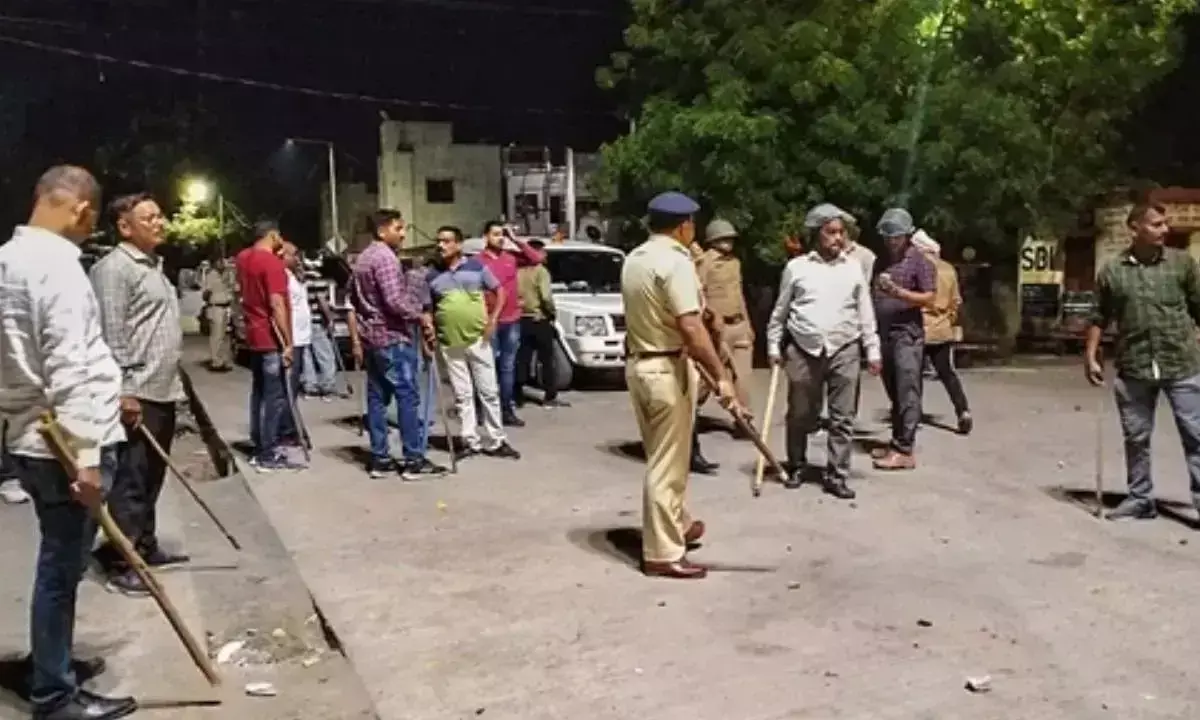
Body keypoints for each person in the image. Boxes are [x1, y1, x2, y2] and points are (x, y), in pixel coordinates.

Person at [0, 165, 138, 719]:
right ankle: (53, 693)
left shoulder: (7, 260)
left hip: (28, 436)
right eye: (92, 220)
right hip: (63, 443)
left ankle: (48, 661)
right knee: (62, 568)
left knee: (59, 562)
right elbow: (69, 368)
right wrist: (87, 460)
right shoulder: (58, 267)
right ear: (82, 210)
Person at [621, 191, 742, 580]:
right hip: (666, 367)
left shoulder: (635, 258)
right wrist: (721, 377)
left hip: (639, 364)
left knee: (662, 454)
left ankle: (677, 523)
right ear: (684, 225)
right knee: (667, 465)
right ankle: (663, 553)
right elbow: (690, 326)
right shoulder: (676, 262)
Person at [89, 192, 188, 596]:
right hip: (137, 391)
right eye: (149, 218)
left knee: (151, 477)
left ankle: (144, 545)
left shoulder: (153, 266)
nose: (159, 223)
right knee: (130, 480)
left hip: (161, 389)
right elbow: (111, 334)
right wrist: (124, 391)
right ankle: (123, 563)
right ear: (124, 227)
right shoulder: (114, 270)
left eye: (160, 215)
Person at [1086, 202, 1200, 521]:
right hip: (1134, 364)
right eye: (1156, 224)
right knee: (1136, 437)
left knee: (1196, 434)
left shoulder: (1182, 264)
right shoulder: (1113, 271)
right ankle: (1140, 499)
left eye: (1165, 223)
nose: (1165, 229)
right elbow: (1098, 316)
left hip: (1181, 363)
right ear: (1135, 228)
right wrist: (1091, 355)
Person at [767, 203, 881, 499]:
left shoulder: (853, 267)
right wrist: (773, 345)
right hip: (803, 349)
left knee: (843, 417)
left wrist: (873, 349)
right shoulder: (797, 268)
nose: (838, 238)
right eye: (831, 232)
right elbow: (780, 311)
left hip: (845, 347)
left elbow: (865, 311)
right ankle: (796, 464)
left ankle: (837, 474)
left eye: (841, 232)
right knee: (800, 414)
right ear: (817, 234)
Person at [351, 209, 447, 479]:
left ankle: (380, 458)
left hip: (372, 337)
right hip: (392, 337)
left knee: (377, 398)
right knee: (407, 396)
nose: (403, 234)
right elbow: (394, 301)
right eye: (398, 228)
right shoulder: (385, 258)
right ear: (382, 231)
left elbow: (353, 298)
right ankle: (414, 459)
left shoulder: (363, 258)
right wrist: (421, 317)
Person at [425, 226, 521, 461]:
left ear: (458, 244)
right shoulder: (432, 275)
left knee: (489, 391)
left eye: (446, 241)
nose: (441, 245)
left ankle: (497, 439)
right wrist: (428, 328)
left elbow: (500, 292)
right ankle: (469, 440)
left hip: (478, 338)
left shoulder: (476, 267)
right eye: (439, 241)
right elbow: (427, 308)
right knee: (462, 395)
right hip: (450, 341)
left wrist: (493, 320)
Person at [872, 208, 936, 471]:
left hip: (907, 334)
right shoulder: (881, 261)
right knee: (893, 390)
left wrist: (899, 293)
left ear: (907, 236)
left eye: (896, 236)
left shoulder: (919, 261)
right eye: (887, 236)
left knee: (907, 390)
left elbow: (929, 297)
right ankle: (896, 441)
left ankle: (905, 450)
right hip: (884, 332)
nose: (891, 241)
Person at [237, 220, 302, 471]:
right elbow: (277, 304)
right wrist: (288, 343)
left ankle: (259, 443)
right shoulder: (272, 263)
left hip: (253, 335)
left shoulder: (243, 258)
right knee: (274, 397)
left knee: (259, 393)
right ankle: (267, 452)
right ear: (273, 235)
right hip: (270, 337)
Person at [477, 221, 546, 427]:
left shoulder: (511, 258)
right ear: (485, 237)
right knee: (487, 367)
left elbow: (536, 258)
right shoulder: (477, 261)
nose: (500, 238)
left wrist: (515, 239)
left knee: (507, 368)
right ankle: (484, 410)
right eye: (495, 234)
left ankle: (506, 409)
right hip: (489, 320)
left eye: (502, 234)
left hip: (511, 320)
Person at [913, 230, 972, 434]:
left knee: (913, 375)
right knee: (947, 373)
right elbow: (956, 301)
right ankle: (963, 410)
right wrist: (948, 320)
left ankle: (912, 415)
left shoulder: (917, 268)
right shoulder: (948, 269)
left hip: (919, 327)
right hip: (942, 329)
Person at [696, 219, 755, 414]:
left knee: (743, 376)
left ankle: (744, 416)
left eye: (730, 238)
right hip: (716, 329)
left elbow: (739, 295)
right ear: (713, 240)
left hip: (738, 325)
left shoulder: (735, 263)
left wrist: (748, 324)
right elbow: (698, 295)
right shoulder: (704, 263)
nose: (728, 242)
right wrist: (711, 317)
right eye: (724, 238)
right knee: (710, 376)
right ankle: (689, 410)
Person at [516, 239, 569, 408]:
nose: (545, 255)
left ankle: (517, 395)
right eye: (543, 251)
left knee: (522, 358)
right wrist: (552, 312)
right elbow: (546, 296)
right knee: (547, 359)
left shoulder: (517, 271)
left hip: (521, 319)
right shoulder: (541, 271)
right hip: (539, 318)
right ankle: (550, 396)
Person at [277, 242, 312, 444]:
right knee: (288, 388)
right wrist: (287, 341)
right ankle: (287, 431)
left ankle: (291, 427)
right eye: (293, 254)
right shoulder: (282, 277)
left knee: (294, 386)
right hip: (294, 338)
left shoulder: (293, 276)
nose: (297, 258)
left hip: (302, 337)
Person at [302, 275, 343, 399]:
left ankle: (310, 386)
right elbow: (322, 301)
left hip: (303, 322)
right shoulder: (317, 281)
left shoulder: (302, 280)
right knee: (325, 355)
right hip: (317, 322)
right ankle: (327, 386)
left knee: (307, 356)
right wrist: (330, 319)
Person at [201, 255, 236, 372]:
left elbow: (232, 287)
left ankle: (222, 360)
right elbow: (205, 294)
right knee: (216, 336)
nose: (222, 263)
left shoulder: (227, 274)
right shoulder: (211, 275)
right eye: (219, 261)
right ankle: (215, 362)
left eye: (223, 261)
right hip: (215, 306)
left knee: (223, 336)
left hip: (225, 306)